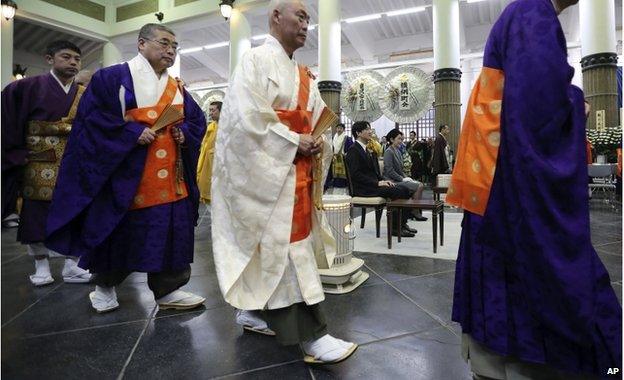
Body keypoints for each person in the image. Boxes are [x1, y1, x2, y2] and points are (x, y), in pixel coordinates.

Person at [446, 0, 621, 378]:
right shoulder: (533, 16)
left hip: (495, 181)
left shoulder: (523, 13)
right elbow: (538, 114)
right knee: (546, 282)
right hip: (511, 191)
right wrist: (578, 104)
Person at [211, 0, 357, 365]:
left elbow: (316, 116)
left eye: (309, 18)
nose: (307, 24)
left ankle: (254, 310)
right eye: (301, 16)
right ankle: (311, 336)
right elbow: (245, 121)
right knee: (283, 249)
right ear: (276, 17)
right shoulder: (254, 60)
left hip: (296, 172)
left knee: (286, 247)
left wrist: (314, 138)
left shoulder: (304, 73)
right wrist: (293, 139)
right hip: (269, 173)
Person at [46, 23, 206, 313]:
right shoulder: (112, 78)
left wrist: (185, 132)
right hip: (128, 174)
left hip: (171, 175)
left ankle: (168, 289)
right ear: (142, 44)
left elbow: (196, 121)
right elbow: (92, 120)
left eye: (174, 46)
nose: (170, 50)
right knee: (120, 233)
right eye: (163, 43)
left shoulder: (178, 86)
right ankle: (104, 286)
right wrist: (130, 133)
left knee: (171, 231)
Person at [1, 40, 92, 286]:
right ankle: (41, 265)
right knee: (36, 214)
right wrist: (16, 153)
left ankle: (72, 265)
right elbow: (8, 121)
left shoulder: (84, 93)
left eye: (77, 58)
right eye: (66, 57)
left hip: (74, 161)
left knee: (76, 211)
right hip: (38, 160)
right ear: (49, 59)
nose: (73, 62)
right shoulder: (24, 88)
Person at [345, 121, 416, 237]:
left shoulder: (366, 149)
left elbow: (374, 172)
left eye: (370, 129)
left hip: (372, 185)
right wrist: (377, 183)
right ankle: (395, 228)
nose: (370, 131)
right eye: (367, 129)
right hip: (363, 189)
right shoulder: (354, 150)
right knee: (399, 191)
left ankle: (401, 223)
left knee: (406, 189)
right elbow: (356, 175)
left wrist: (384, 180)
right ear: (358, 133)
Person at [383, 129, 427, 221]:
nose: (401, 141)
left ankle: (412, 211)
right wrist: (402, 179)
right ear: (391, 139)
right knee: (419, 186)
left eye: (401, 139)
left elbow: (400, 169)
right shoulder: (388, 152)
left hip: (398, 179)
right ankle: (415, 212)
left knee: (419, 184)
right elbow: (390, 171)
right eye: (399, 139)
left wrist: (406, 177)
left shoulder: (398, 151)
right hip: (391, 181)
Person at [196, 101, 222, 203]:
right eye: (209, 110)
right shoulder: (211, 126)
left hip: (217, 168)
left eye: (213, 110)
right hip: (206, 165)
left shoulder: (225, 127)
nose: (210, 113)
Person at [329, 123, 353, 190]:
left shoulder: (347, 138)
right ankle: (335, 183)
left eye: (340, 128)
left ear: (343, 129)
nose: (339, 130)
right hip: (335, 157)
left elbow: (351, 148)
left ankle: (343, 184)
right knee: (335, 172)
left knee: (343, 171)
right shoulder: (333, 137)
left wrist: (346, 154)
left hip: (343, 157)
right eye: (338, 128)